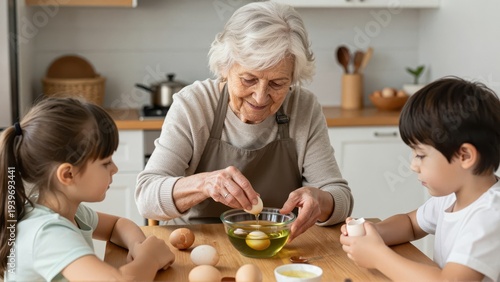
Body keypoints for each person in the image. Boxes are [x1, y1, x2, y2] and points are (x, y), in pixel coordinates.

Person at [135, 1, 353, 241]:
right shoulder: (194, 105)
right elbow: (146, 197)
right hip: (197, 242)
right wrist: (204, 184)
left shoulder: (303, 107)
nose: (260, 97)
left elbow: (340, 196)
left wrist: (320, 200)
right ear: (225, 67)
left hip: (278, 243)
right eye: (249, 79)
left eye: (278, 83)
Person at [340, 77, 500, 281]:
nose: (413, 165)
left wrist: (378, 256)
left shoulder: (490, 215)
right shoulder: (452, 196)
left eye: (421, 155)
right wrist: (373, 232)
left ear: (465, 156)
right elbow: (410, 224)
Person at [0, 97, 175, 281]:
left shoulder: (68, 210)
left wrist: (138, 246)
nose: (114, 169)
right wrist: (151, 258)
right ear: (68, 174)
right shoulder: (47, 233)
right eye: (106, 163)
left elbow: (117, 225)